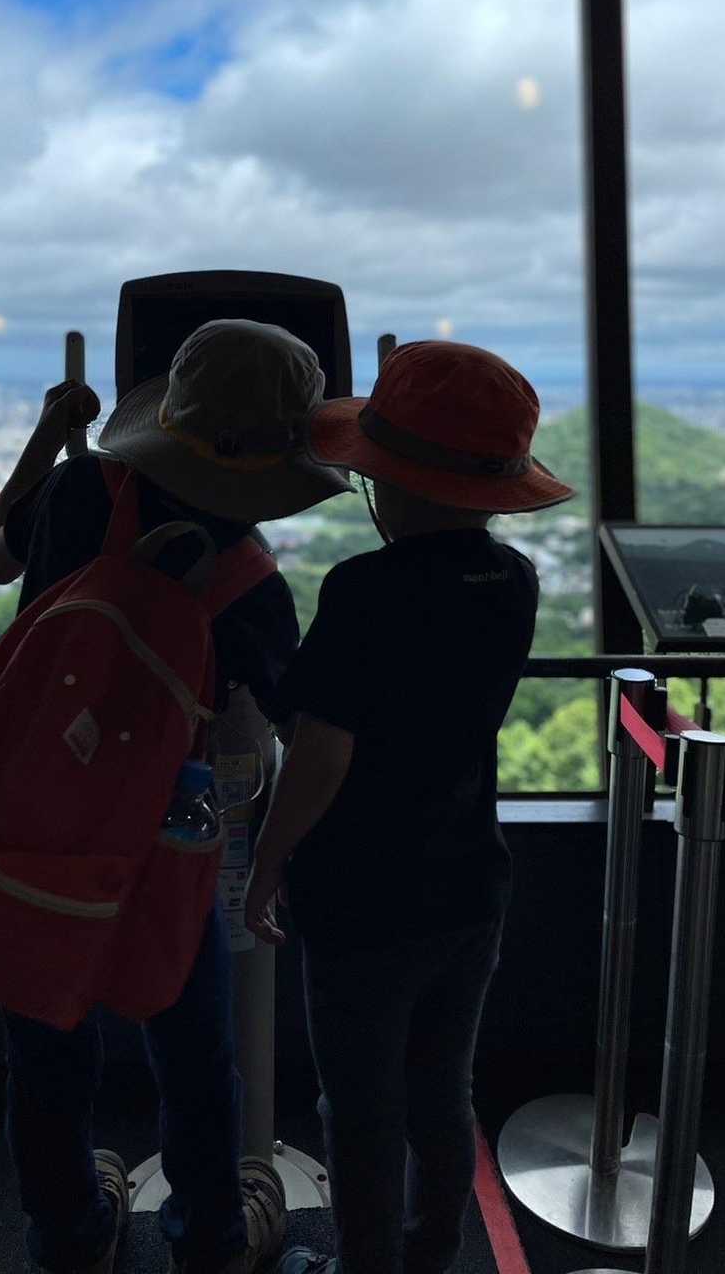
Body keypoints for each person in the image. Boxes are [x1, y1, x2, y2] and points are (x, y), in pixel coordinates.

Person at [0, 319, 351, 1274]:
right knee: (193, 1052)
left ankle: (68, 1230)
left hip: (33, 813)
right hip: (164, 834)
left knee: (46, 1041)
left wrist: (50, 430)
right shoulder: (248, 576)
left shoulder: (76, 491)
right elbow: (294, 725)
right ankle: (211, 1238)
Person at [242, 341, 575, 1274]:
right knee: (441, 1092)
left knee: (360, 1106)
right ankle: (432, 1253)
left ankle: (367, 1264)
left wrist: (266, 864)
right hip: (470, 882)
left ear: (388, 483)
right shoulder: (513, 580)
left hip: (362, 898)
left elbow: (322, 751)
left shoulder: (364, 589)